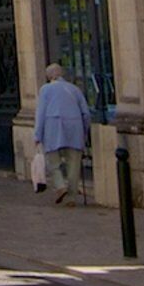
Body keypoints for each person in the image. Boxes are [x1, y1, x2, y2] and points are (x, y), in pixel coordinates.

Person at [32, 61, 93, 204]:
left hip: (53, 127)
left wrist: (37, 134)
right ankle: (71, 196)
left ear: (49, 77)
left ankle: (60, 186)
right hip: (75, 127)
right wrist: (84, 131)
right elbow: (86, 114)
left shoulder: (46, 90)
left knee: (53, 160)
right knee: (74, 163)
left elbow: (40, 114)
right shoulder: (74, 89)